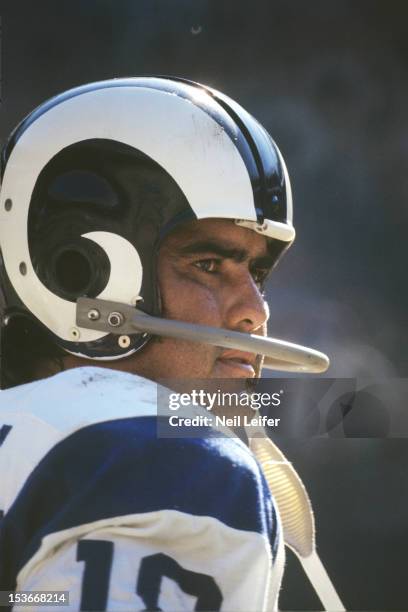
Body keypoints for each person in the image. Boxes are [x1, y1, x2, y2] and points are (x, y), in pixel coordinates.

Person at [0, 77, 330, 611]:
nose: (256, 310)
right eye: (208, 265)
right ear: (79, 273)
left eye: (258, 274)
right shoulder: (167, 457)